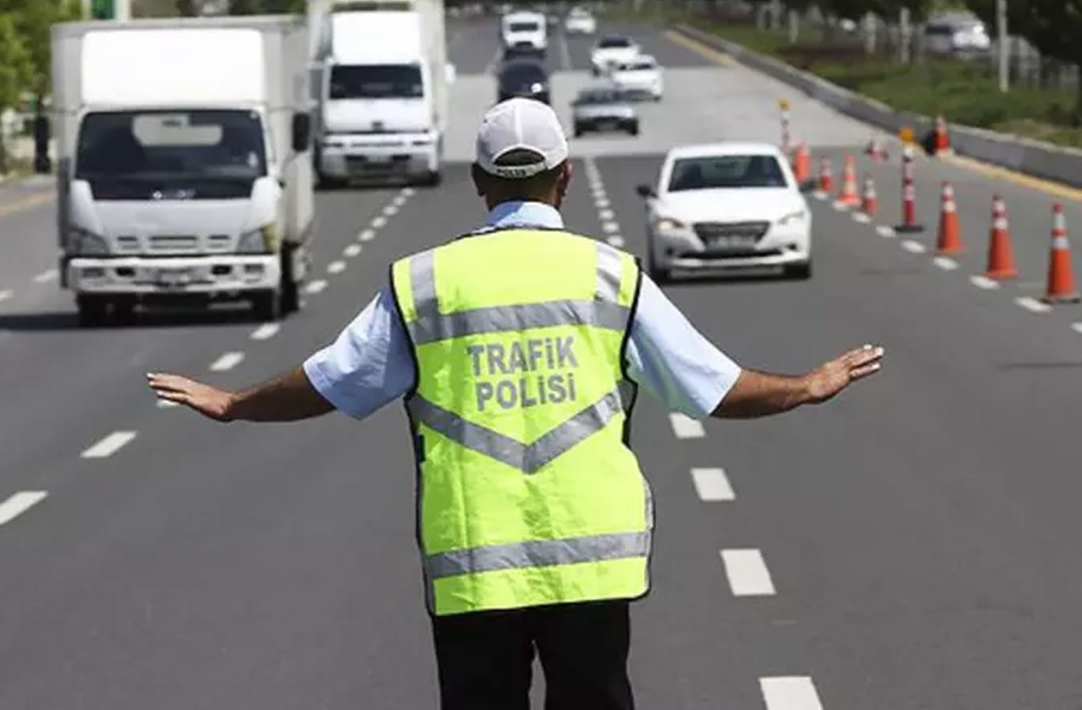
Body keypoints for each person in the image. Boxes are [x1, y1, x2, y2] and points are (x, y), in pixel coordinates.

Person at [148, 98, 885, 710]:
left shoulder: (424, 284)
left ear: (478, 182)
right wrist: (807, 386)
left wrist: (235, 402)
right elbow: (713, 388)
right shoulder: (610, 277)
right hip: (592, 565)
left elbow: (333, 380)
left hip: (475, 566)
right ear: (565, 178)